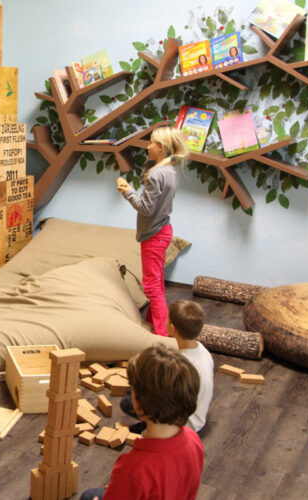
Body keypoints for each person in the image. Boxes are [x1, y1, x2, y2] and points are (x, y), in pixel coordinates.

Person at [80, 344, 204, 500]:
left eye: (132, 388)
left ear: (138, 403)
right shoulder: (194, 440)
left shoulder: (133, 469)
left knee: (88, 496)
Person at [116, 126, 188, 336]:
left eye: (151, 143)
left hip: (154, 235)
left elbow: (145, 208)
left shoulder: (156, 174)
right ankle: (154, 321)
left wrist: (127, 192)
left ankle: (162, 334)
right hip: (164, 229)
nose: (147, 146)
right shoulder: (171, 169)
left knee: (151, 286)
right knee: (156, 280)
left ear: (161, 147)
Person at [120, 300, 214, 433]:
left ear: (172, 328)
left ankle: (154, 427)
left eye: (166, 318)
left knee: (127, 402)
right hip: (198, 417)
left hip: (183, 424)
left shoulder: (180, 365)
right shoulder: (204, 351)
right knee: (133, 390)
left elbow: (166, 399)